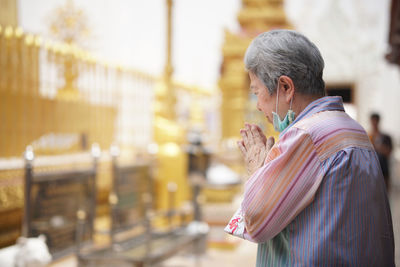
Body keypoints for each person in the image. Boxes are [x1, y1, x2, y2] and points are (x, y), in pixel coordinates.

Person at [224, 30, 395, 266]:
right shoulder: (355, 130)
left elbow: (255, 220)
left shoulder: (307, 135)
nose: (258, 104)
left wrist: (256, 168)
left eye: (257, 92)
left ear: (285, 87)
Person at [369, 113, 393, 190]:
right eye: (373, 121)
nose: (374, 123)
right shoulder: (367, 136)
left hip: (383, 170)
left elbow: (388, 152)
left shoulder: (386, 137)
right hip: (371, 170)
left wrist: (377, 147)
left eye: (376, 121)